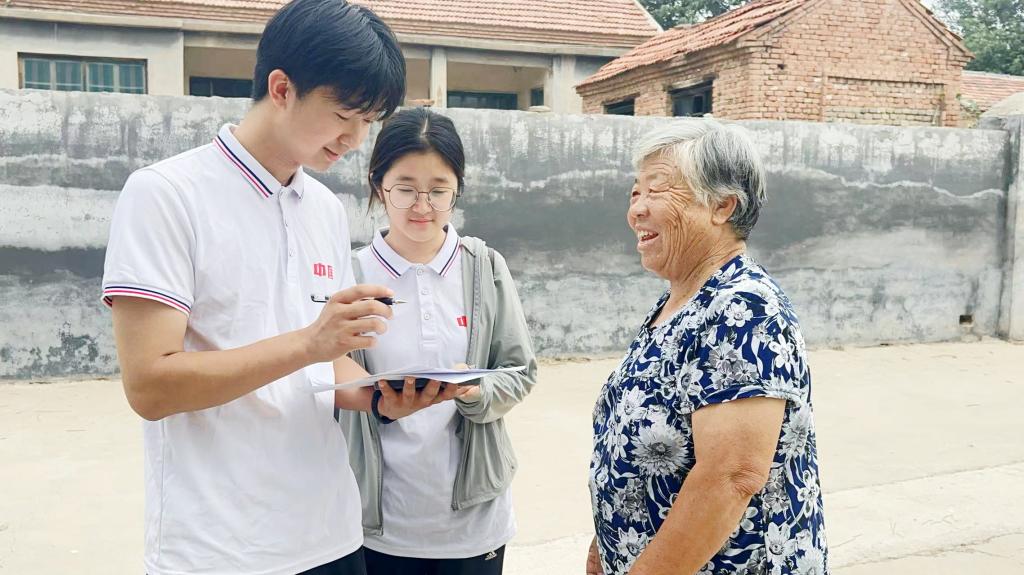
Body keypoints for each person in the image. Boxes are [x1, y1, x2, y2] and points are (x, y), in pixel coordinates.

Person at [101, 2, 462, 573]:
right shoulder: (166, 195)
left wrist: (379, 396)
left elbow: (323, 366)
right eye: (344, 114)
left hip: (330, 534)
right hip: (221, 548)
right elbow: (150, 386)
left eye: (368, 121)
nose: (355, 138)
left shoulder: (323, 208)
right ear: (281, 88)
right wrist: (310, 343)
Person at [586, 119, 828, 575]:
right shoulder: (681, 300)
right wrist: (606, 544)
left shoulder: (744, 307)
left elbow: (731, 476)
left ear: (722, 206)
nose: (636, 210)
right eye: (635, 192)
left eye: (656, 191)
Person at [338, 107, 537, 575]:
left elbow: (520, 371)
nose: (422, 206)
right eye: (405, 188)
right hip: (377, 523)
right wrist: (379, 401)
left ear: (457, 189)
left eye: (438, 190)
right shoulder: (352, 273)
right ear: (378, 185)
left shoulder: (484, 267)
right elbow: (327, 382)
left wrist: (473, 390)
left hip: (475, 523)